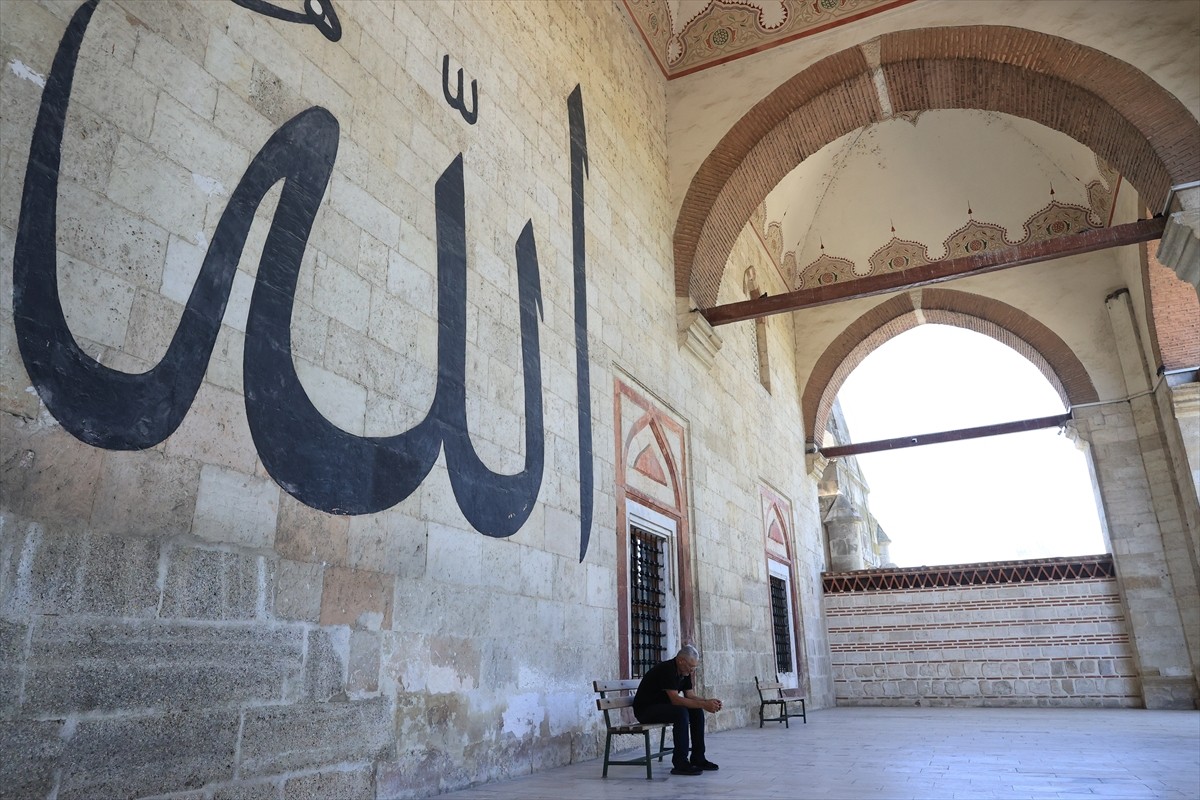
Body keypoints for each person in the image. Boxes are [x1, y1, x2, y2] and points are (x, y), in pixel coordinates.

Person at [632, 644, 722, 776]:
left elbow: (690, 696)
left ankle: (698, 758)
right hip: (646, 710)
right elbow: (675, 700)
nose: (692, 671)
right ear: (681, 661)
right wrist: (704, 704)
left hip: (662, 707)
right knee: (681, 713)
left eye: (694, 667)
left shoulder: (684, 672)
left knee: (696, 711)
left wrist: (707, 702)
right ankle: (680, 763)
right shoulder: (667, 669)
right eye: (690, 667)